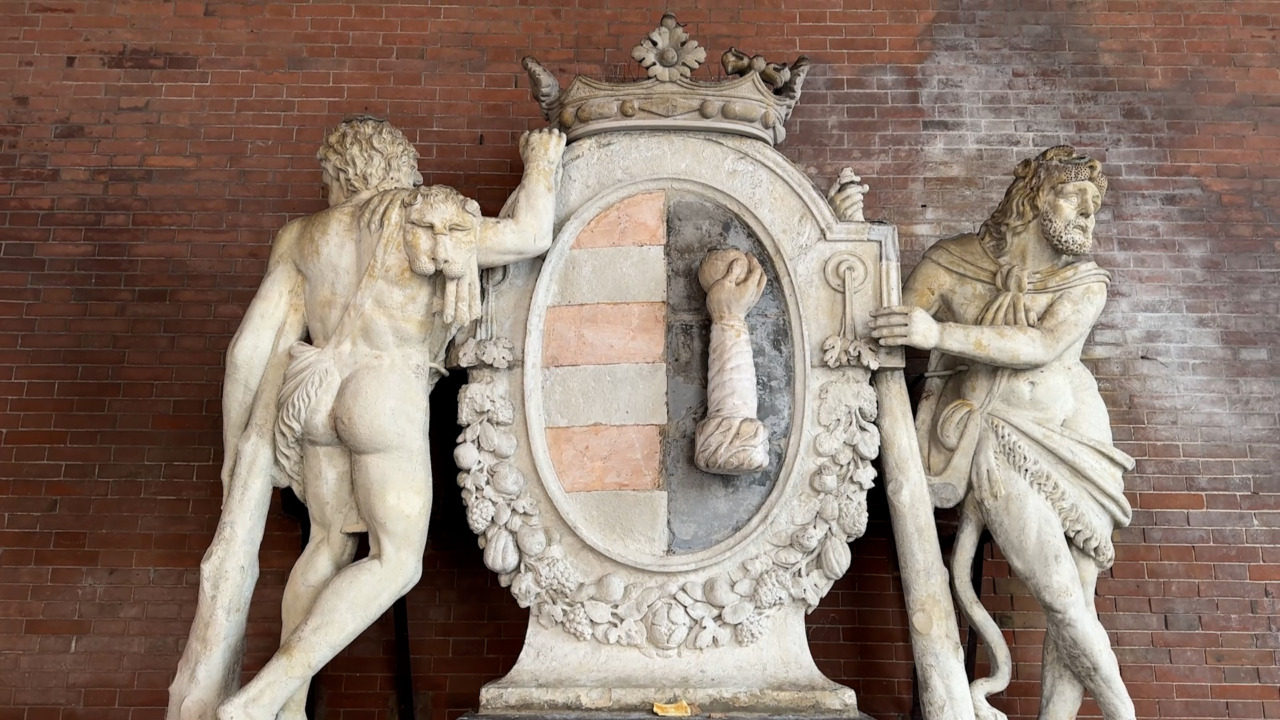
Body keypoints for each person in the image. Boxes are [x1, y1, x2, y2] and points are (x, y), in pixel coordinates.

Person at [167, 118, 566, 720]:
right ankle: (261, 699)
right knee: (396, 562)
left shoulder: (301, 235)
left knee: (326, 543)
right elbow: (530, 234)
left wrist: (234, 452)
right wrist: (541, 162)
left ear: (341, 172)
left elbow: (246, 350)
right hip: (382, 390)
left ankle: (290, 711)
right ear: (398, 164)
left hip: (313, 391)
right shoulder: (424, 215)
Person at [870, 146, 1136, 720]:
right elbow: (884, 332)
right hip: (995, 434)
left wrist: (938, 334)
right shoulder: (950, 263)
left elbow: (1042, 345)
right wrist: (854, 247)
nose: (1087, 213)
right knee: (1060, 597)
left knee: (1078, 603)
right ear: (1033, 199)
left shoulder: (1085, 282)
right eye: (1073, 197)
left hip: (1080, 436)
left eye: (1093, 204)